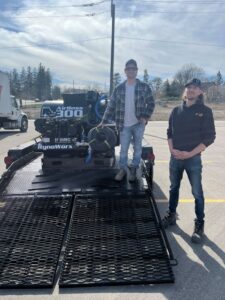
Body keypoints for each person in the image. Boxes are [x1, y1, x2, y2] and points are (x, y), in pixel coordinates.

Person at [161, 78, 216, 243]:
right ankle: (171, 215)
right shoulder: (176, 111)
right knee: (173, 188)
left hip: (193, 159)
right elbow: (169, 132)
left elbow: (209, 138)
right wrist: (172, 150)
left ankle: (199, 225)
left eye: (195, 88)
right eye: (189, 88)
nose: (191, 90)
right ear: (185, 91)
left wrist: (190, 153)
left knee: (197, 193)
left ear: (200, 92)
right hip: (175, 158)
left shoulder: (205, 111)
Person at [99, 59, 155, 182]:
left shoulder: (144, 87)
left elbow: (151, 103)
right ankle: (123, 169)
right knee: (123, 149)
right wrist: (104, 121)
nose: (131, 70)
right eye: (128, 68)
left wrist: (145, 117)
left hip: (138, 124)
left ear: (136, 71)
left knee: (137, 148)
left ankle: (134, 168)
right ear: (125, 71)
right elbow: (111, 105)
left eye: (133, 68)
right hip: (123, 124)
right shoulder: (119, 88)